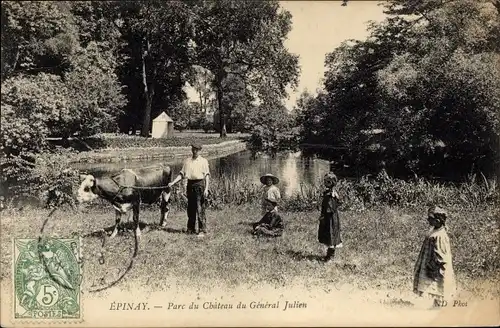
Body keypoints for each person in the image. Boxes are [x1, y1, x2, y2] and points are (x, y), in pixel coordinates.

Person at [413, 206, 456, 306]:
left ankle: (439, 306)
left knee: (438, 285)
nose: (428, 220)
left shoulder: (440, 235)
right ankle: (435, 304)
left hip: (435, 266)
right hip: (428, 261)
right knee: (433, 286)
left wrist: (432, 265)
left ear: (437, 221)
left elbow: (441, 256)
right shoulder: (434, 230)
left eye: (430, 218)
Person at [168, 143, 210, 237]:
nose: (194, 151)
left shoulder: (203, 161)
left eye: (196, 149)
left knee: (200, 208)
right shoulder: (187, 161)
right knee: (191, 208)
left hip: (200, 185)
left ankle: (202, 230)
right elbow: (182, 174)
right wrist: (172, 182)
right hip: (190, 185)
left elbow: (207, 176)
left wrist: (206, 189)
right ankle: (190, 229)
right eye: (193, 149)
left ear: (200, 150)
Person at [318, 172, 342, 262]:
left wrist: (323, 216)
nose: (325, 183)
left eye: (328, 182)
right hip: (328, 216)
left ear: (332, 182)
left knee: (331, 233)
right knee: (327, 233)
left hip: (330, 217)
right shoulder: (327, 193)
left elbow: (330, 207)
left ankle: (330, 255)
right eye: (325, 181)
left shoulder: (332, 194)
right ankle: (329, 253)